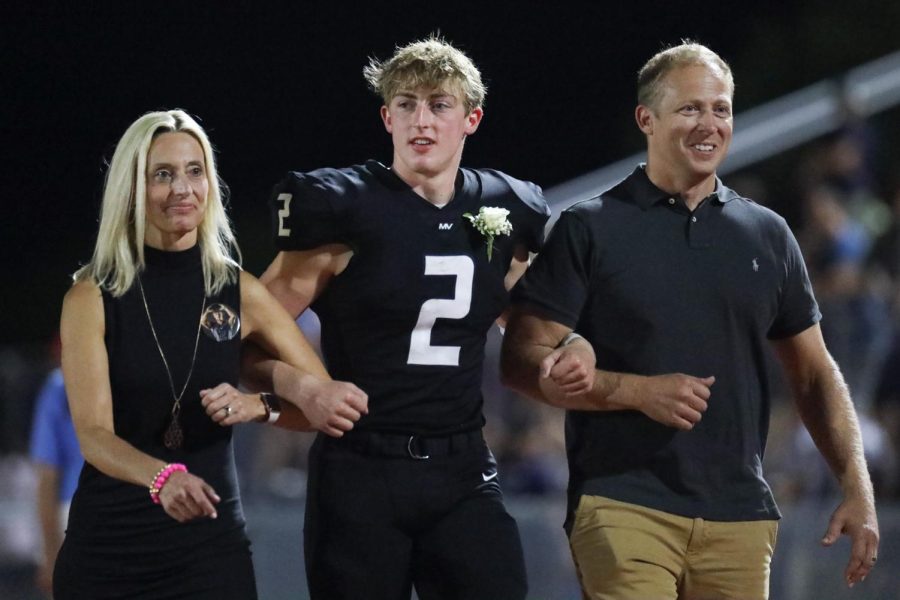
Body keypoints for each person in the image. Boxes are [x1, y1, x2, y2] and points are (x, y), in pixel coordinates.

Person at [501, 41, 880, 599]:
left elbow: (815, 373)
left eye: (721, 108)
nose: (710, 124)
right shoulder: (590, 228)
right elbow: (521, 358)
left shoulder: (769, 236)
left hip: (742, 515)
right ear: (646, 120)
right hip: (622, 504)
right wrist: (633, 390)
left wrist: (857, 485)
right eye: (690, 109)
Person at [255, 36, 550, 599]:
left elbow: (531, 325)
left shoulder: (505, 208)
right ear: (386, 117)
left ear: (471, 119)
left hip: (463, 467)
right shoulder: (344, 208)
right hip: (361, 468)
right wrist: (301, 386)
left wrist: (573, 346)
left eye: (439, 104)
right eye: (407, 104)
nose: (423, 119)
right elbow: (246, 332)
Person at [54, 109, 367, 599]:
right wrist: (163, 478)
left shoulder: (238, 290)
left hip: (209, 549)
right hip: (109, 549)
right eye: (163, 174)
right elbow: (94, 436)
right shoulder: (90, 297)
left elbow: (320, 404)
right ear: (132, 189)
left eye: (194, 171)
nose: (183, 188)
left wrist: (257, 406)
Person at [29, 365, 83, 598]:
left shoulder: (59, 384)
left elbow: (47, 475)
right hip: (128, 503)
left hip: (73, 513)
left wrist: (50, 554)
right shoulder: (59, 386)